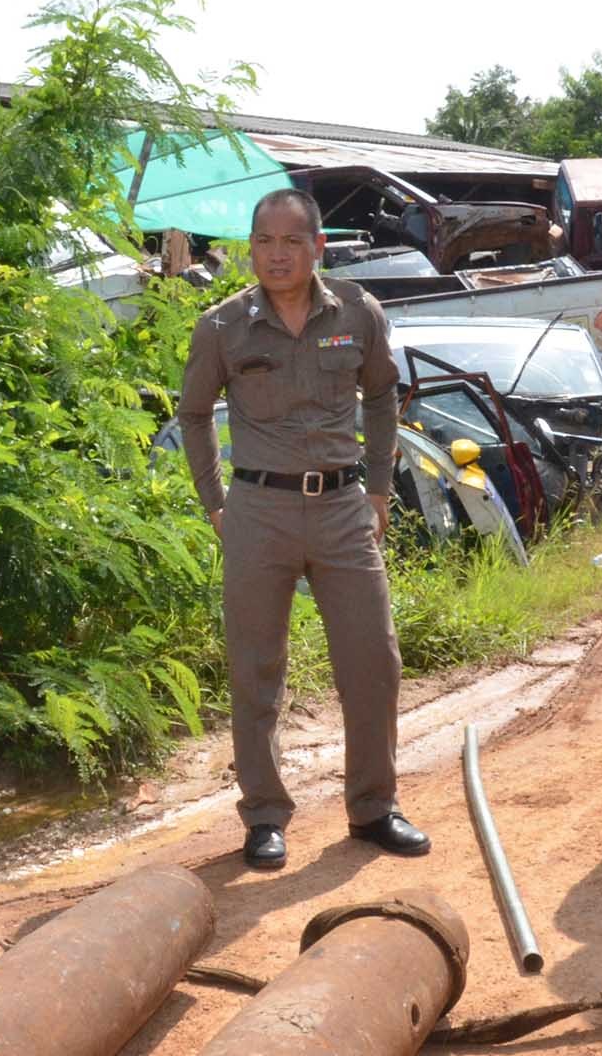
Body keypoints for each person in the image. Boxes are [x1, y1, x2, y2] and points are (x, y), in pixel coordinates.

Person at [176, 188, 430, 870]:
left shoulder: (357, 312)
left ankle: (373, 807)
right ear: (249, 250)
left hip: (343, 508)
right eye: (264, 241)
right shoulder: (223, 327)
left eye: (292, 240)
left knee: (371, 661)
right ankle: (263, 816)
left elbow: (382, 394)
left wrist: (379, 486)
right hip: (256, 512)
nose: (278, 253)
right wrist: (214, 503)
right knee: (255, 669)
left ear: (318, 245)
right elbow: (193, 413)